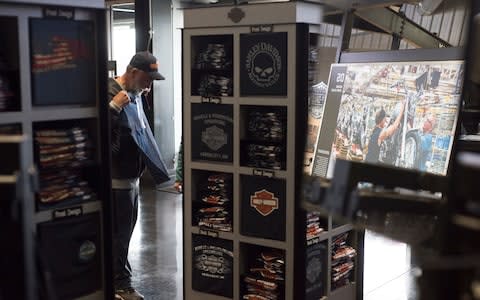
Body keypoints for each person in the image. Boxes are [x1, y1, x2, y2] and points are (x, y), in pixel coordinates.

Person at [108, 51, 170, 300]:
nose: (149, 84)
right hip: (115, 181)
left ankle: (120, 283)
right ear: (133, 72)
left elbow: (141, 134)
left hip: (131, 180)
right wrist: (113, 107)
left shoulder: (135, 95)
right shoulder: (111, 94)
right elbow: (97, 135)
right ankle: (120, 285)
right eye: (147, 78)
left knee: (124, 235)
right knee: (118, 237)